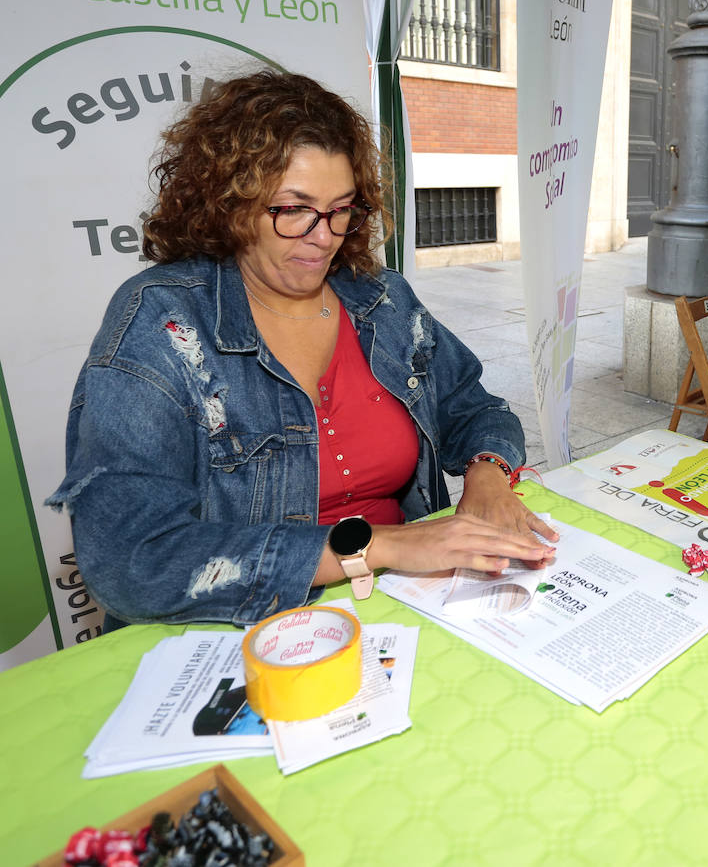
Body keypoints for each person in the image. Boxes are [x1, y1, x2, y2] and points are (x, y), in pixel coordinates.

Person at [46, 71, 556, 628]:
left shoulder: (380, 301)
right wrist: (377, 548)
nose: (325, 235)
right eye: (294, 209)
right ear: (231, 204)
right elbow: (131, 561)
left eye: (342, 208)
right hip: (239, 626)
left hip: (404, 600)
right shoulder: (162, 323)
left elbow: (472, 405)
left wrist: (486, 475)